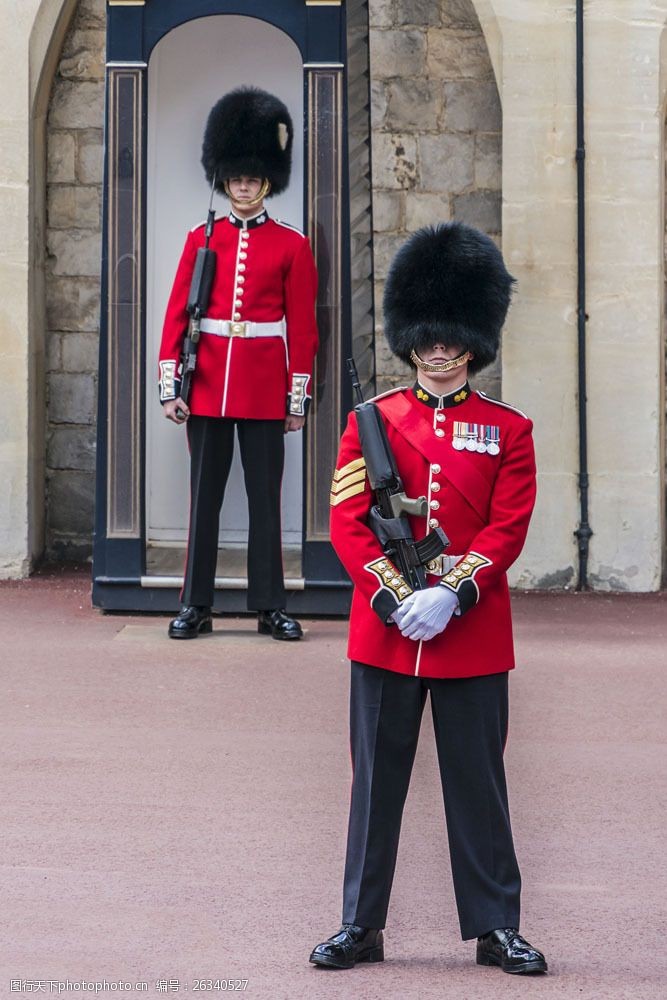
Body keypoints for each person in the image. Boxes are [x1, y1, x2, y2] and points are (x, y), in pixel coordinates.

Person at [310, 223, 548, 975]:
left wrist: (450, 592)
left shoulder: (507, 429)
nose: (437, 352)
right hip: (384, 635)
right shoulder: (370, 422)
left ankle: (493, 927)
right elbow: (347, 524)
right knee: (375, 785)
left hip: (469, 632)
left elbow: (506, 527)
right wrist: (393, 598)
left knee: (477, 786)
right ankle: (360, 924)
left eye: (450, 340)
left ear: (471, 341)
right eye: (426, 340)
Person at [158, 87, 318, 641]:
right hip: (205, 388)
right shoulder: (200, 239)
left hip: (263, 390)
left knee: (263, 501)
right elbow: (176, 317)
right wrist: (169, 387)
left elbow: (303, 330)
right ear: (224, 178)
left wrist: (296, 400)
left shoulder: (292, 246)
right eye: (236, 177)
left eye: (252, 177)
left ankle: (269, 605)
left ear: (267, 180)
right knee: (203, 499)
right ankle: (195, 604)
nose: (243, 185)